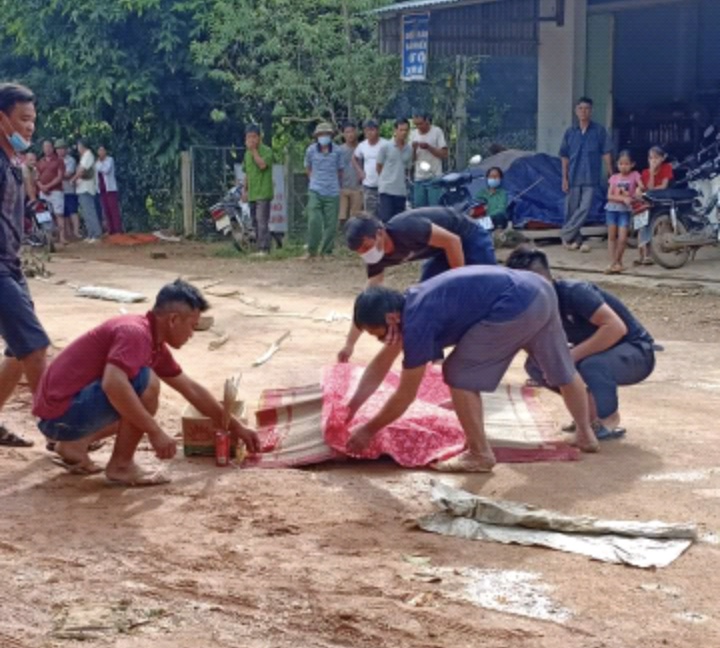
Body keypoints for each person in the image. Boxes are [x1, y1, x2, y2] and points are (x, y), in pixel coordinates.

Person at [345, 267, 599, 471]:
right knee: (560, 366)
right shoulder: (410, 305)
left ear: (391, 318)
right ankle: (586, 435)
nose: (379, 340)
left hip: (513, 303)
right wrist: (353, 406)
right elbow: (382, 362)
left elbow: (406, 394)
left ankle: (479, 453)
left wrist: (368, 430)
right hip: (538, 289)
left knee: (458, 373)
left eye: (374, 333)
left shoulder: (417, 320)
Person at [32, 279, 260, 485]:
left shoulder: (153, 342)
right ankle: (121, 466)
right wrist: (155, 431)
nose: (192, 334)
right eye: (192, 326)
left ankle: (75, 444)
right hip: (61, 413)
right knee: (146, 382)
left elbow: (190, 389)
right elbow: (113, 384)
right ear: (173, 320)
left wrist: (236, 427)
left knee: (138, 393)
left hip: (58, 415)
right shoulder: (135, 333)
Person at [506, 245, 656, 438]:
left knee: (592, 364)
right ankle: (587, 415)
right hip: (595, 354)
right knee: (536, 365)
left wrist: (571, 356)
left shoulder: (575, 292)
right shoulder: (532, 306)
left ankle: (608, 419)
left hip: (635, 352)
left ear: (544, 280)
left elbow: (616, 328)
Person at [338, 208, 496, 362]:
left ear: (380, 232)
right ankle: (434, 358)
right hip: (440, 251)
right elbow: (367, 305)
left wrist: (459, 282)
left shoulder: (407, 227)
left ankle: (488, 352)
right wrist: (349, 345)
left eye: (366, 246)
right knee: (424, 303)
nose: (366, 253)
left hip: (468, 236)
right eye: (360, 252)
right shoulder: (375, 259)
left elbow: (453, 241)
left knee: (483, 295)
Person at [0, 82, 50, 448]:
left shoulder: (13, 163)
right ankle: (60, 430)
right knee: (33, 347)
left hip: (11, 265)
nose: (30, 127)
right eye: (23, 120)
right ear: (2, 120)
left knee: (19, 351)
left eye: (33, 120)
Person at [559, 97, 613, 252]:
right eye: (581, 108)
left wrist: (611, 173)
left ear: (592, 111)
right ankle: (574, 240)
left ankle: (565, 234)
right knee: (571, 209)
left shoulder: (599, 131)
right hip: (573, 176)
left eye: (587, 108)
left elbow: (606, 152)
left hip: (591, 177)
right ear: (576, 111)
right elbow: (564, 156)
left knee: (584, 209)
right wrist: (564, 177)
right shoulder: (570, 132)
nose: (584, 111)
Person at [304, 122, 343, 259]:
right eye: (321, 134)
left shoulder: (338, 151)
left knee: (331, 224)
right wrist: (313, 181)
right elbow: (308, 168)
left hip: (333, 191)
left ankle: (327, 251)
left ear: (331, 136)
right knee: (314, 220)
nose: (324, 136)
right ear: (317, 136)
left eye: (326, 134)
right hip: (315, 189)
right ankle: (311, 251)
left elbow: (340, 171)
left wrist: (335, 185)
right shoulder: (311, 150)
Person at [605, 150, 642, 273]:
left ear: (632, 164)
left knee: (622, 238)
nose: (623, 166)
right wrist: (623, 198)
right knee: (611, 237)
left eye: (626, 164)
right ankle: (614, 263)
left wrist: (638, 190)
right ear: (617, 164)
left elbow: (642, 187)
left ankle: (616, 262)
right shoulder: (614, 178)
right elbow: (609, 196)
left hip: (625, 211)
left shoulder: (635, 175)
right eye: (621, 164)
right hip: (611, 209)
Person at [636, 146, 673, 266]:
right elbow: (649, 189)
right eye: (651, 158)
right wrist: (651, 173)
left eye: (656, 158)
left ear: (662, 158)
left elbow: (663, 187)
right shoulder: (645, 173)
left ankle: (653, 254)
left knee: (655, 228)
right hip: (647, 204)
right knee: (642, 227)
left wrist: (648, 190)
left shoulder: (667, 168)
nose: (653, 160)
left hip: (661, 203)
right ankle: (643, 256)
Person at [242, 125, 274, 255]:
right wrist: (245, 190)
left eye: (254, 137)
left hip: (264, 192)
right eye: (249, 137)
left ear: (259, 138)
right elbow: (247, 174)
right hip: (253, 193)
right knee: (255, 221)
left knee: (262, 221)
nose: (251, 140)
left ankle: (264, 249)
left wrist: (254, 151)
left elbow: (262, 165)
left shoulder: (267, 151)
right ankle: (260, 247)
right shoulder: (246, 154)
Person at [376, 118, 412, 223]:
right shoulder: (385, 147)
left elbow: (407, 168)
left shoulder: (409, 149)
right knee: (386, 221)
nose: (403, 133)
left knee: (399, 222)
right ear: (395, 131)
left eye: (406, 130)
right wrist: (386, 179)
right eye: (401, 130)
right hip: (387, 190)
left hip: (401, 191)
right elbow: (379, 166)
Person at [410, 113, 448, 207]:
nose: (419, 127)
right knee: (419, 208)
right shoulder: (413, 134)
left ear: (427, 121)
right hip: (419, 178)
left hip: (434, 176)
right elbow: (412, 160)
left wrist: (429, 147)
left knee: (435, 208)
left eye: (421, 123)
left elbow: (444, 154)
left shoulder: (437, 131)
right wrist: (414, 149)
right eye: (416, 124)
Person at [353, 119, 387, 218]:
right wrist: (359, 171)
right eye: (366, 130)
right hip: (368, 186)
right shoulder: (362, 146)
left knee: (384, 214)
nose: (369, 133)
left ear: (378, 130)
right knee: (370, 215)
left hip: (384, 186)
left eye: (372, 130)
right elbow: (354, 158)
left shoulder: (386, 145)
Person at [37, 139, 66, 245]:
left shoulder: (59, 161)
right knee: (44, 215)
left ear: (52, 148)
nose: (47, 149)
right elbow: (36, 177)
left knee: (59, 214)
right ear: (43, 149)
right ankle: (48, 237)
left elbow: (60, 177)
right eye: (45, 147)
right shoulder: (40, 162)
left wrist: (48, 186)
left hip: (56, 191)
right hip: (43, 192)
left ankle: (62, 237)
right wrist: (41, 187)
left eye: (49, 146)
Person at [72, 139, 102, 242]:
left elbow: (81, 171)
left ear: (81, 146)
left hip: (86, 187)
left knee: (90, 211)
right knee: (85, 212)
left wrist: (73, 179)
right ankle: (90, 233)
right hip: (82, 188)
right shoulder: (84, 156)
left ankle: (96, 234)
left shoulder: (88, 155)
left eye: (78, 146)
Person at [55, 139, 81, 240]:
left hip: (69, 189)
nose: (60, 151)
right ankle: (67, 233)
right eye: (58, 149)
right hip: (58, 190)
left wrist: (55, 176)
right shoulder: (54, 160)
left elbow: (68, 174)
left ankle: (76, 232)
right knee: (63, 213)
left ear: (66, 150)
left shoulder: (70, 160)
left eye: (62, 148)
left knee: (73, 211)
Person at [337, 122, 362, 225]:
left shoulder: (362, 148)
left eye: (352, 131)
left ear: (356, 132)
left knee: (355, 218)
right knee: (341, 218)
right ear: (343, 134)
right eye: (347, 132)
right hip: (342, 188)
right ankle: (339, 239)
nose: (350, 134)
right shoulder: (339, 150)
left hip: (358, 188)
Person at [96, 145, 123, 235]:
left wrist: (99, 165)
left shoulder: (110, 160)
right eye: (99, 150)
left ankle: (118, 229)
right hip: (102, 189)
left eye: (102, 150)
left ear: (105, 151)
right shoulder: (97, 162)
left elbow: (106, 170)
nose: (101, 152)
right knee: (106, 209)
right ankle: (110, 229)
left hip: (110, 188)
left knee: (114, 209)